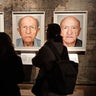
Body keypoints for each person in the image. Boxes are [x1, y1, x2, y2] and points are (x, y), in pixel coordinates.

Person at [31, 23, 70, 96]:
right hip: (59, 82)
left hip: (47, 84)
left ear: (49, 33)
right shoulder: (64, 48)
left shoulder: (46, 48)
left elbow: (35, 61)